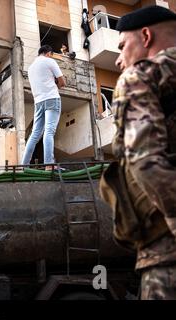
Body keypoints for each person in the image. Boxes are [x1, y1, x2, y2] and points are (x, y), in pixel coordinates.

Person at [99, 6, 176, 300]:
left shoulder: (140, 78)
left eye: (122, 47)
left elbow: (146, 163)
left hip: (166, 254)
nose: (119, 60)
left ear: (145, 36)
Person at [21, 45, 66, 170]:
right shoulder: (50, 61)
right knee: (49, 131)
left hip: (38, 102)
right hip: (52, 98)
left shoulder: (30, 68)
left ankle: (23, 165)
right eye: (51, 54)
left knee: (35, 134)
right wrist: (55, 82)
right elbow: (62, 83)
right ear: (48, 53)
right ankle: (49, 165)